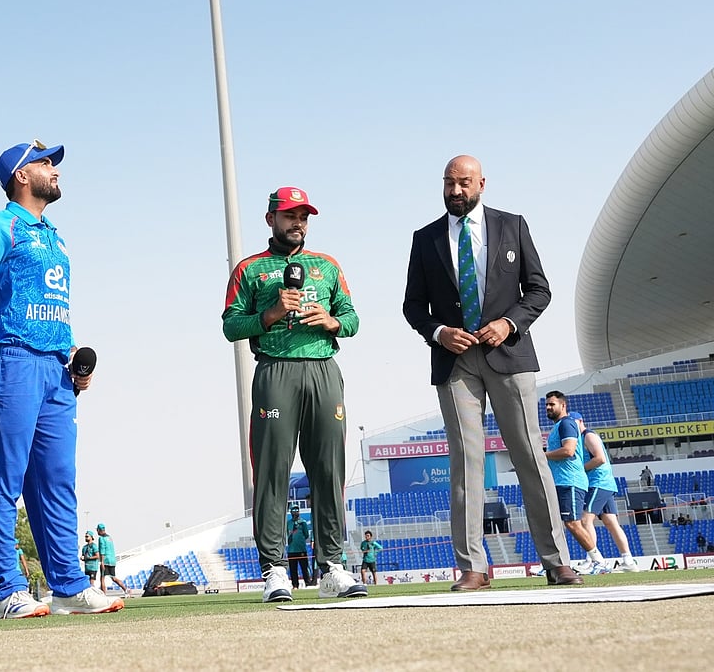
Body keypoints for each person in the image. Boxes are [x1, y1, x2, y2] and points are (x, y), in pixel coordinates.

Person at [0, 140, 122, 619]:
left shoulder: (56, 238)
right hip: (13, 362)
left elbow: (51, 305)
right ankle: (6, 591)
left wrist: (73, 360)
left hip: (56, 372)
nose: (54, 169)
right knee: (1, 478)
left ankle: (67, 586)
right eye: (45, 163)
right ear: (21, 175)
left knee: (58, 480)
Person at [403, 155, 579, 591]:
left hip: (510, 355)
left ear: (482, 183)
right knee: (466, 463)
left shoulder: (512, 225)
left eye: (463, 183)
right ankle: (473, 569)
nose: (456, 191)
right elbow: (412, 306)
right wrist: (440, 332)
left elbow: (539, 290)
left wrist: (509, 323)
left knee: (530, 457)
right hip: (455, 362)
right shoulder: (424, 239)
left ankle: (557, 561)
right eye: (449, 183)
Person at [222, 186, 367, 602]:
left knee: (328, 470)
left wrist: (333, 321)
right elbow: (231, 326)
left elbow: (353, 317)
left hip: (323, 368)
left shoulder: (327, 266)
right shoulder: (250, 269)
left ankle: (333, 566)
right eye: (289, 215)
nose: (297, 223)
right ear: (271, 220)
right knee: (272, 472)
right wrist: (271, 313)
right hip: (275, 370)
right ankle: (274, 570)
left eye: (303, 216)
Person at [543, 394, 608, 575]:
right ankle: (555, 565)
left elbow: (569, 450)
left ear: (563, 405)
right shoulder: (558, 426)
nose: (548, 407)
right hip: (561, 482)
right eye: (546, 404)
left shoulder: (567, 423)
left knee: (572, 523)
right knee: (557, 524)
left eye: (552, 404)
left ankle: (599, 561)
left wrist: (541, 456)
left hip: (569, 481)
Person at [575, 417, 642, 572]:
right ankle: (628, 561)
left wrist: (581, 470)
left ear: (580, 421)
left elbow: (600, 459)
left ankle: (592, 561)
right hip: (604, 483)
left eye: (574, 423)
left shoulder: (588, 436)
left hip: (597, 482)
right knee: (611, 523)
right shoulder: (583, 437)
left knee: (585, 519)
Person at [95, 524, 131, 596]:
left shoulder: (101, 538)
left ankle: (103, 595)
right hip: (112, 560)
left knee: (102, 578)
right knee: (113, 578)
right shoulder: (109, 537)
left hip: (105, 560)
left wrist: (102, 561)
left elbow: (102, 550)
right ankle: (126, 589)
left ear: (99, 530)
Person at [285, 505, 314, 589]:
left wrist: (299, 540)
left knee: (304, 568)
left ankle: (307, 583)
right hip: (291, 550)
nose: (296, 512)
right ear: (291, 512)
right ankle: (295, 585)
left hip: (301, 549)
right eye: (294, 510)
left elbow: (306, 535)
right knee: (293, 569)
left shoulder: (303, 522)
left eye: (297, 510)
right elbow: (287, 533)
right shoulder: (288, 523)